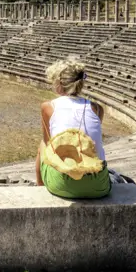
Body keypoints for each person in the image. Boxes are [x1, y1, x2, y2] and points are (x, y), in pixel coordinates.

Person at [35, 59, 111, 199]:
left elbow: (48, 143)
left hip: (62, 185)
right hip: (99, 186)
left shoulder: (48, 107)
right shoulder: (97, 109)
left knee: (43, 145)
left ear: (58, 83)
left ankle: (41, 188)